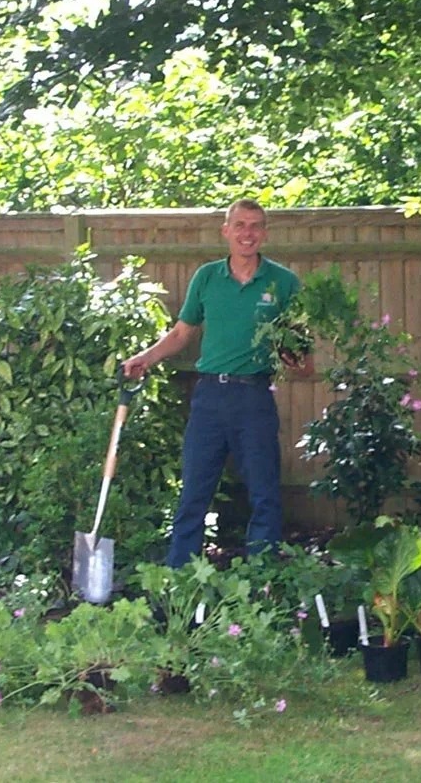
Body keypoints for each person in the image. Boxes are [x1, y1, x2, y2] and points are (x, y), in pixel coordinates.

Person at [122, 198, 311, 567]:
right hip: (209, 396)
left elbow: (303, 358)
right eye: (240, 225)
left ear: (265, 233)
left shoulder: (284, 282)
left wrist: (296, 361)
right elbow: (180, 335)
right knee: (194, 492)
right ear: (225, 231)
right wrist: (145, 357)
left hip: (255, 395)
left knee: (265, 493)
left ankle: (261, 581)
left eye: (255, 226)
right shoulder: (207, 277)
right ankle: (179, 580)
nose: (247, 233)